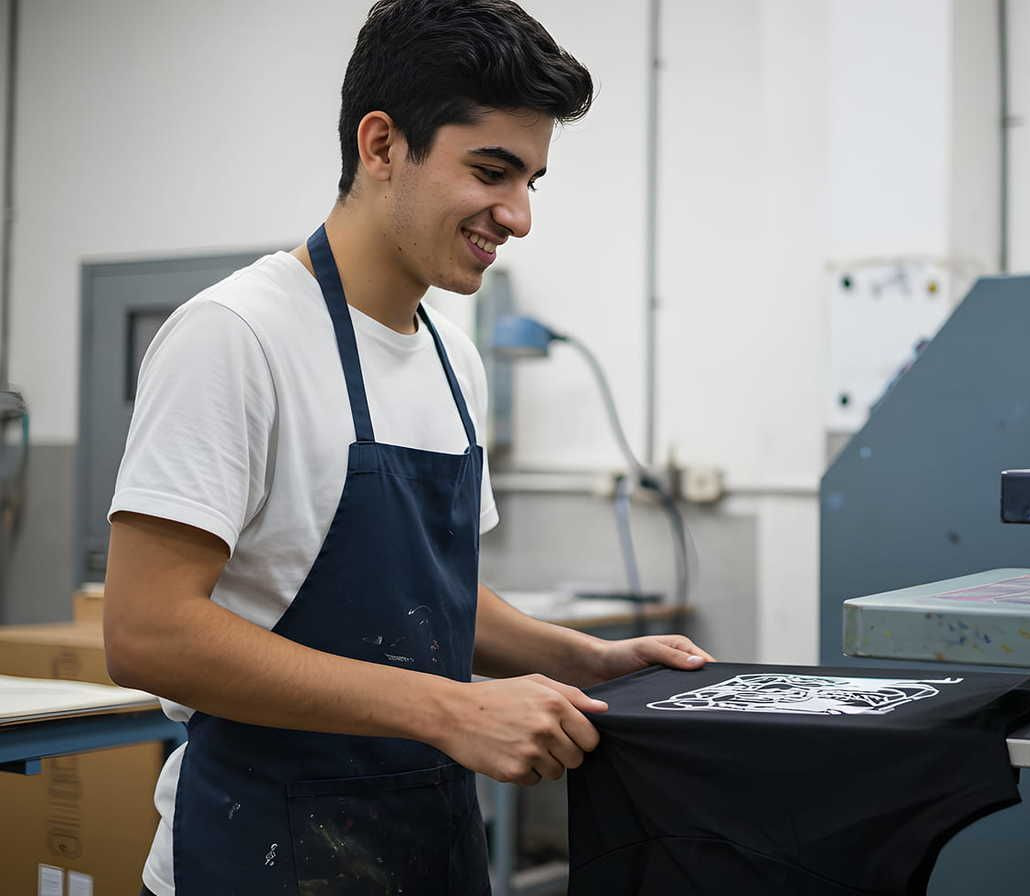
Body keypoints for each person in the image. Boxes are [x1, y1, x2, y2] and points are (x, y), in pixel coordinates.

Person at [102, 2, 714, 893]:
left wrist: (579, 656)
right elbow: (147, 632)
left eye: (532, 181)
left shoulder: (449, 358)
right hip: (260, 854)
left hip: (427, 849)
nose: (519, 215)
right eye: (492, 171)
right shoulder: (236, 336)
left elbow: (428, 594)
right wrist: (450, 708)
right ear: (382, 145)